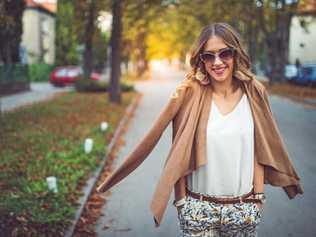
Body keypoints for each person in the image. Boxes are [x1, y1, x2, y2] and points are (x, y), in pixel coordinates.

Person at [96, 22, 304, 237]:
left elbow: (259, 149)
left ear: (236, 53)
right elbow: (179, 150)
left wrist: (258, 199)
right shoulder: (190, 94)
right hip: (198, 209)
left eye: (225, 53)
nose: (217, 62)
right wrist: (182, 202)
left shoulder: (254, 92)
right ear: (201, 60)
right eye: (209, 56)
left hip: (244, 209)